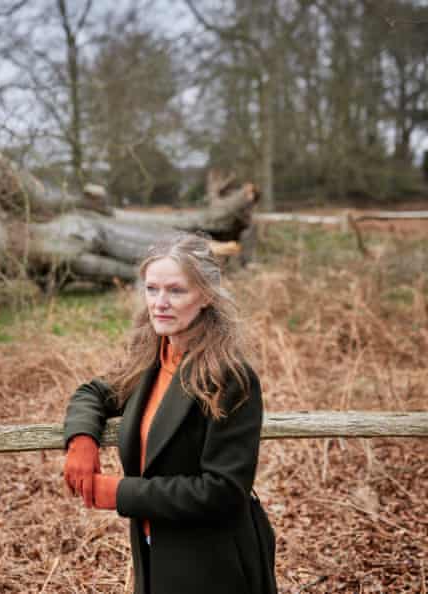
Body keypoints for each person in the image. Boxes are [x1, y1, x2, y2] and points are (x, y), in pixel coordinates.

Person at [62, 232, 275, 594]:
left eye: (176, 291)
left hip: (213, 563)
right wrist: (81, 441)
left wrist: (121, 493)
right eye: (152, 289)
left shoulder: (228, 376)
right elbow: (94, 392)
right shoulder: (152, 355)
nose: (160, 303)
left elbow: (223, 491)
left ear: (205, 296)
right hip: (154, 553)